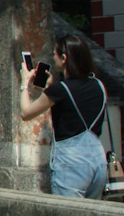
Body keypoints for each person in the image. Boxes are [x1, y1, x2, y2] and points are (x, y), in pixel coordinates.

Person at [20, 35, 108, 198]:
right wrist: (51, 89)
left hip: (72, 163)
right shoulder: (99, 85)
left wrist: (24, 83)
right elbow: (73, 103)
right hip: (97, 161)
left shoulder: (60, 90)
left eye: (55, 54)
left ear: (64, 58)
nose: (53, 58)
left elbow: (26, 113)